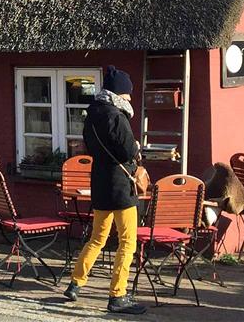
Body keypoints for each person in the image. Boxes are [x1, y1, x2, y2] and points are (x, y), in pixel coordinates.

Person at [63, 65, 146, 315]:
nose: (131, 98)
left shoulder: (92, 114)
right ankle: (117, 295)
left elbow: (89, 145)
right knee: (127, 243)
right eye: (128, 94)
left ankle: (76, 283)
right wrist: (135, 146)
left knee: (97, 238)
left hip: (99, 184)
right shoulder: (116, 116)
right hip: (120, 187)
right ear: (119, 93)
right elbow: (128, 151)